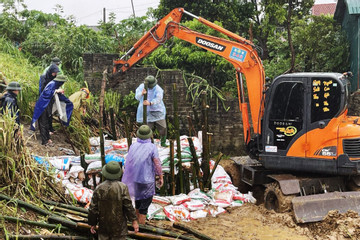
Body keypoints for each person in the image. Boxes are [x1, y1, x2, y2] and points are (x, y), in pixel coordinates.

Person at [122, 125, 164, 224]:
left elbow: (129, 162)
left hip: (135, 179)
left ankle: (135, 225)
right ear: (149, 135)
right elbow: (157, 163)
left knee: (138, 202)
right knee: (144, 207)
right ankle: (140, 228)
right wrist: (160, 176)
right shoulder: (152, 147)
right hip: (147, 180)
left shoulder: (133, 146)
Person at [88, 161, 139, 240]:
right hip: (119, 226)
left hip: (104, 226)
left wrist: (92, 223)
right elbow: (128, 206)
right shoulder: (122, 187)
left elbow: (93, 209)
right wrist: (134, 221)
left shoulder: (99, 188)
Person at [31, 75, 73, 145]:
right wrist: (56, 91)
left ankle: (48, 138)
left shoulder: (55, 85)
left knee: (47, 123)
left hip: (48, 106)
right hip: (42, 106)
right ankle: (44, 141)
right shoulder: (52, 84)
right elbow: (47, 93)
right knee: (43, 123)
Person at [135, 75, 168, 147]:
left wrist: (150, 103)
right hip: (146, 111)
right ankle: (147, 143)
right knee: (147, 128)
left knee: (163, 127)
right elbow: (137, 97)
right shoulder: (141, 87)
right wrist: (142, 93)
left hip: (157, 110)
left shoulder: (158, 88)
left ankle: (163, 142)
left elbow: (158, 99)